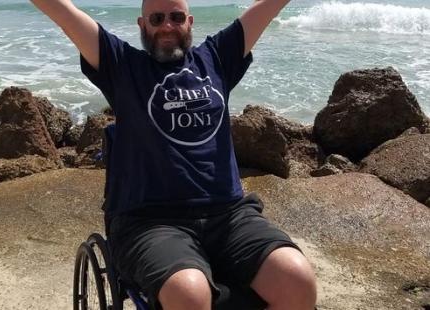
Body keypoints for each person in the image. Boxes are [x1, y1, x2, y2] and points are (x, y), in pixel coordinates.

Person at [30, 0, 317, 309]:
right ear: (142, 25)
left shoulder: (217, 57)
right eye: (156, 18)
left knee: (296, 279)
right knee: (189, 293)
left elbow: (269, 7)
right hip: (150, 222)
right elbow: (65, 14)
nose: (167, 25)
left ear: (189, 22)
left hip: (230, 215)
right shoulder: (123, 65)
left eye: (176, 17)